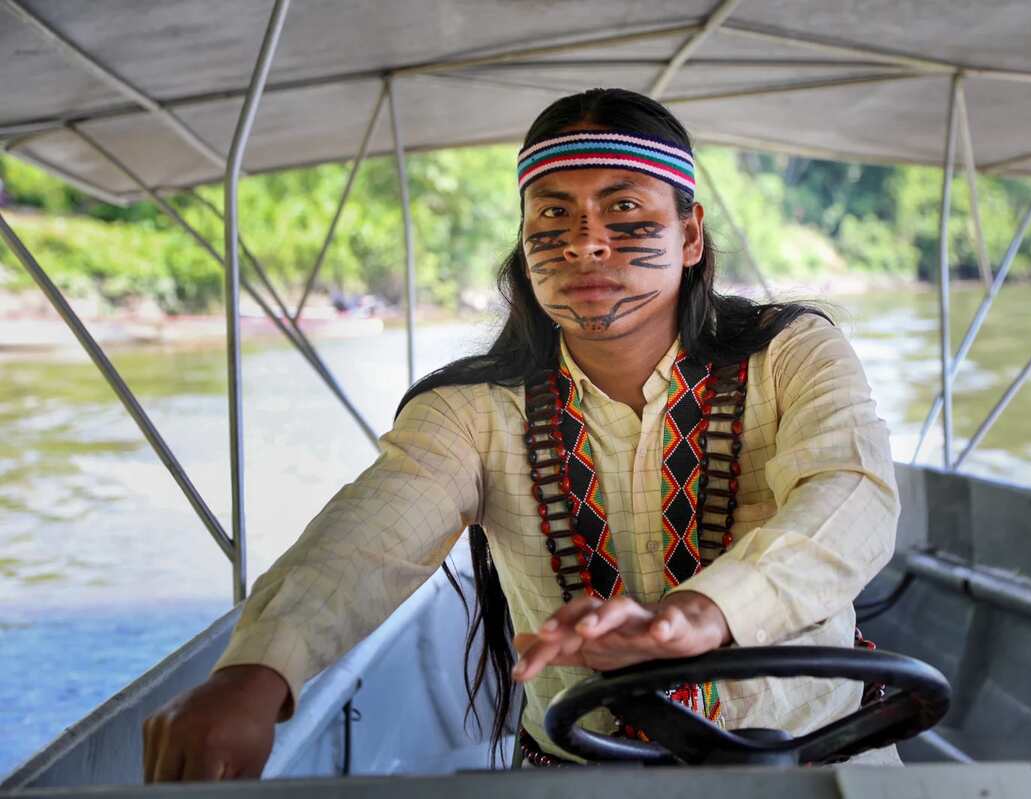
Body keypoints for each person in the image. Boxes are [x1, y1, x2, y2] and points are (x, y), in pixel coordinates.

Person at [141, 87, 900, 781]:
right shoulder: (472, 408)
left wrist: (696, 613)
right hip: (579, 771)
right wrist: (254, 673)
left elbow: (851, 496)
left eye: (624, 211)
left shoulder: (790, 352)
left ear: (691, 233)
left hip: (818, 759)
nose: (585, 243)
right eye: (552, 216)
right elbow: (369, 534)